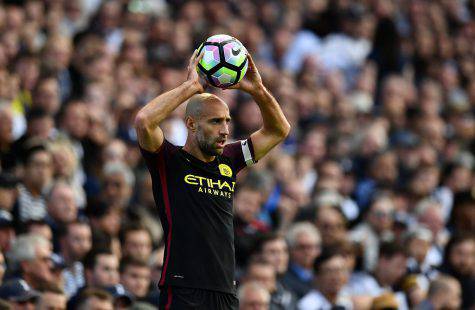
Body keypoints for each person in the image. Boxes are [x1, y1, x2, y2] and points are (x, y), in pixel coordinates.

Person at [135, 50, 290, 309]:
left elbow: (279, 130)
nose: (225, 130)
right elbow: (144, 121)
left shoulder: (229, 159)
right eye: (216, 122)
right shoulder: (168, 160)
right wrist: (190, 88)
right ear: (191, 124)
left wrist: (258, 90)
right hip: (184, 288)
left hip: (225, 291)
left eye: (227, 121)